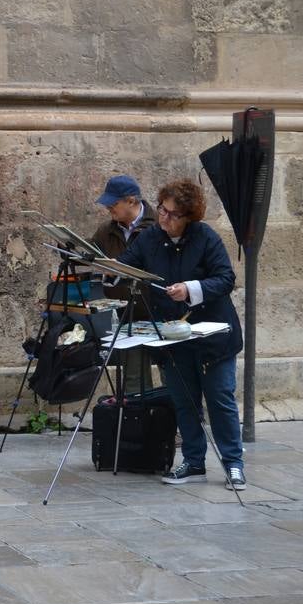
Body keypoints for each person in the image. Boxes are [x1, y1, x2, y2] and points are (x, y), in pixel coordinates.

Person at [117, 178, 245, 490]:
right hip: (172, 336)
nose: (164, 218)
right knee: (184, 400)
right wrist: (102, 267)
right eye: (162, 210)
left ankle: (233, 463)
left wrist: (190, 289)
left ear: (188, 216)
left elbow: (225, 279)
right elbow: (126, 265)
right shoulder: (149, 238)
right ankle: (193, 462)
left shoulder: (205, 237)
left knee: (219, 398)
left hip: (211, 334)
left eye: (173, 215)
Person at [92, 174, 158, 393]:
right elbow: (93, 258)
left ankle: (174, 422)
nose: (109, 207)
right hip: (128, 314)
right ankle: (138, 423)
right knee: (133, 381)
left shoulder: (159, 226)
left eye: (114, 203)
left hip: (161, 311)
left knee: (173, 373)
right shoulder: (106, 231)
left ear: (131, 201)